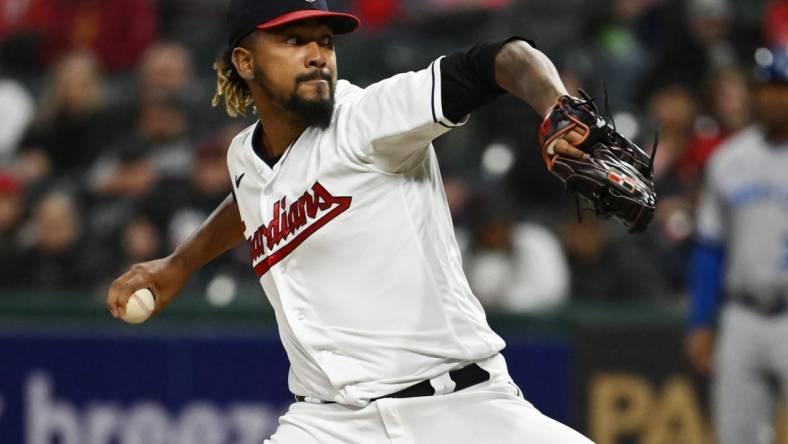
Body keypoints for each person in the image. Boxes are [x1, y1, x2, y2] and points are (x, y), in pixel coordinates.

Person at [106, 1, 594, 443]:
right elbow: (251, 199)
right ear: (245, 61)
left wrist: (555, 104)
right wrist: (179, 265)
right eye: (293, 40)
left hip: (459, 408)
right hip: (328, 424)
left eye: (325, 40)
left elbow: (500, 60)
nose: (317, 54)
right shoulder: (243, 156)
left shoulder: (368, 118)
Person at [685, 45, 788, 444]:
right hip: (741, 313)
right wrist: (700, 321)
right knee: (736, 437)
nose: (775, 97)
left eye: (783, 88)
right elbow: (710, 246)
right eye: (768, 87)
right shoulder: (729, 159)